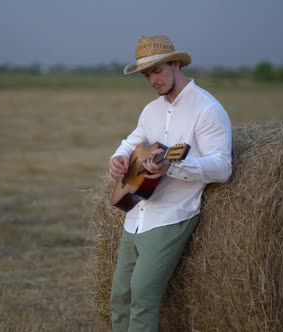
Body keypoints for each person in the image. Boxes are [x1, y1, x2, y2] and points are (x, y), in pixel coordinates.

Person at [108, 35, 233, 331]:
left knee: (142, 296)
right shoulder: (151, 110)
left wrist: (173, 168)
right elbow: (133, 140)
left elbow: (222, 167)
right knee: (119, 296)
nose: (152, 79)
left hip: (173, 214)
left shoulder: (207, 110)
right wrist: (119, 156)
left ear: (176, 64)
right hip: (136, 214)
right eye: (146, 74)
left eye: (158, 71)